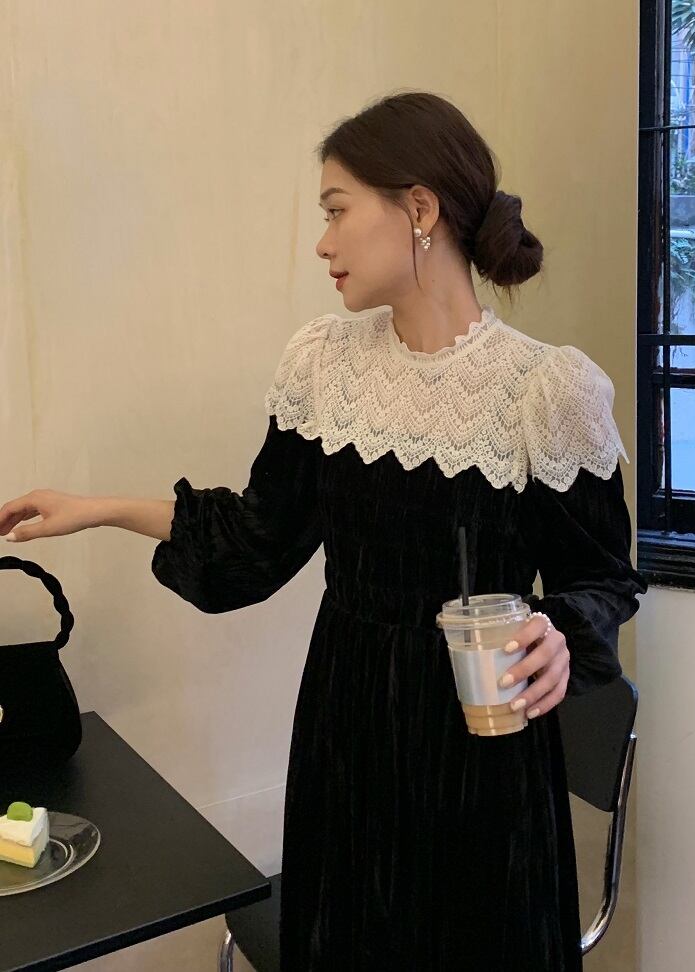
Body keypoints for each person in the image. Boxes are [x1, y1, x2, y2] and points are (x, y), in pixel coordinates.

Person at [0, 91, 648, 971]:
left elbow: (604, 581)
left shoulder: (547, 392)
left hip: (480, 758)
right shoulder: (325, 367)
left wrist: (559, 632)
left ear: (419, 209)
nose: (323, 242)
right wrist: (99, 508)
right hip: (349, 736)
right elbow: (256, 541)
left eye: (337, 211)